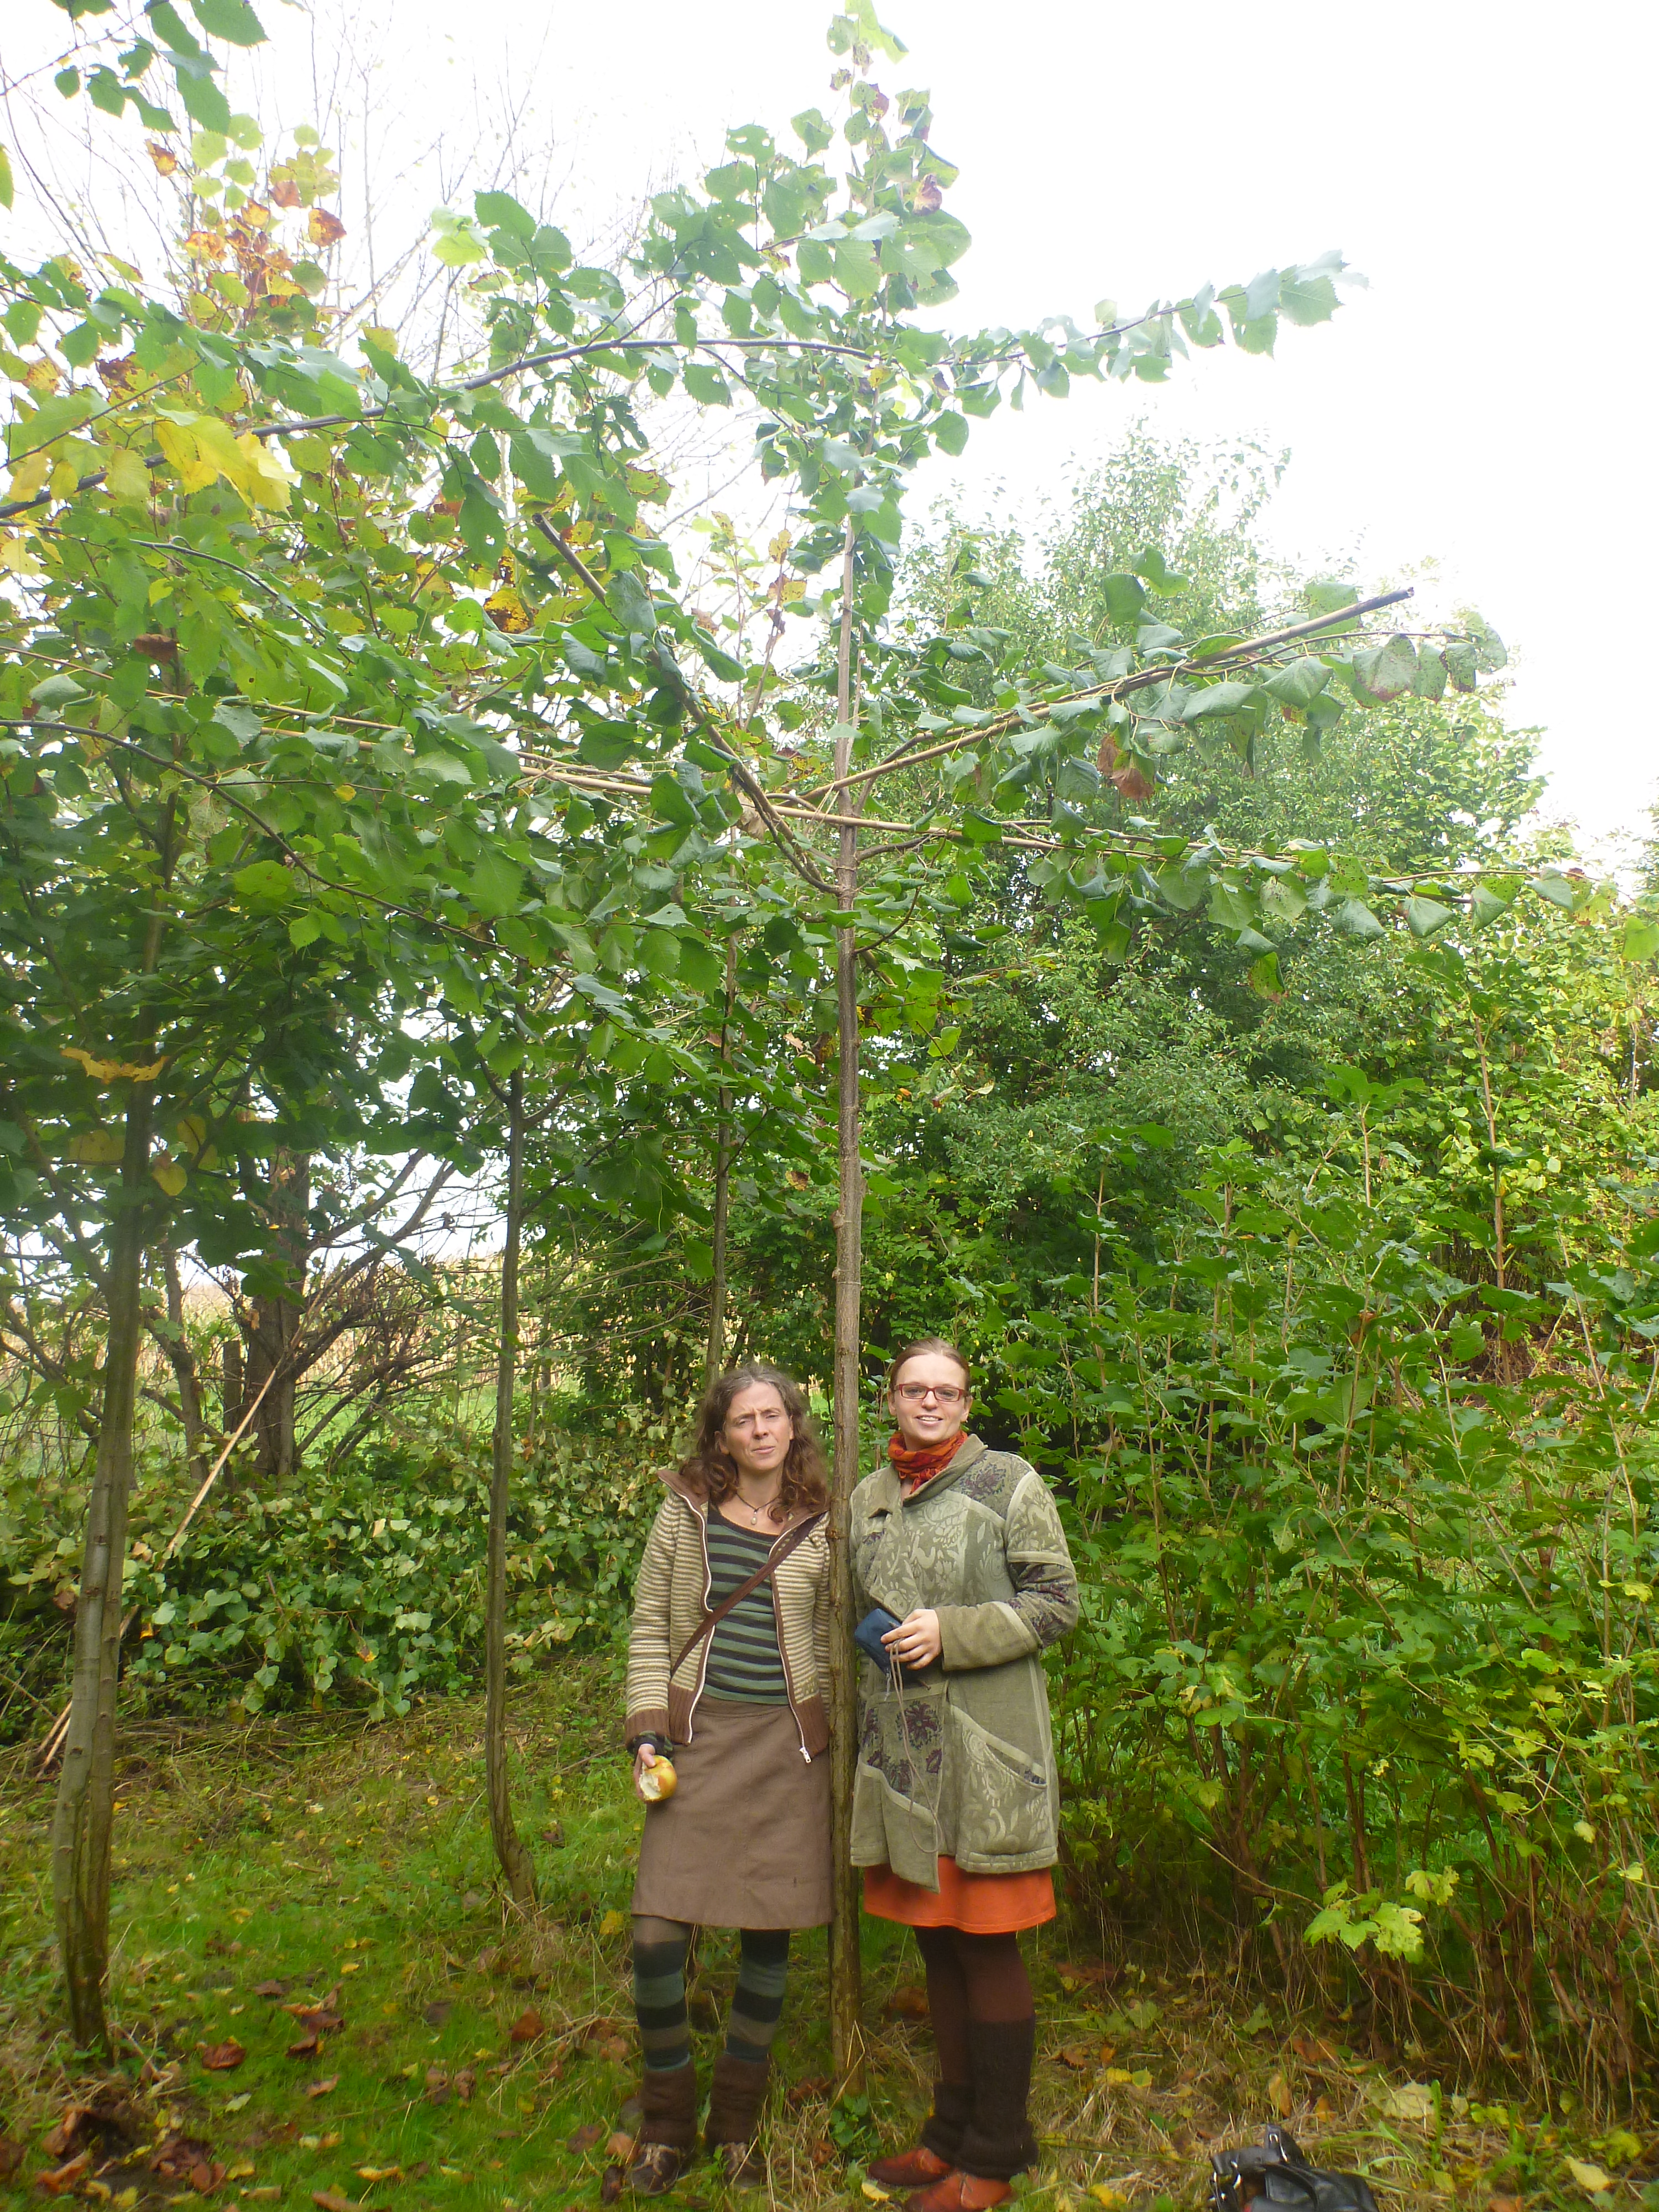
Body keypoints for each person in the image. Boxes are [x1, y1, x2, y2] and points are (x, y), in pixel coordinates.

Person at [850, 1338, 1078, 2212]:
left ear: (967, 1404)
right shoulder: (870, 1498)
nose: (930, 1403)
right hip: (905, 1759)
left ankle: (996, 2154)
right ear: (892, 1399)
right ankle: (947, 2135)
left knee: (985, 1944)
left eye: (946, 1391)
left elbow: (1056, 1603)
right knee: (936, 1946)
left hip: (988, 1755)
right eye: (915, 1389)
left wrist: (954, 1631)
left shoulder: (1007, 1483)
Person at [622, 1362, 833, 2193]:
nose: (760, 1430)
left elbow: (837, 1632)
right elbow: (650, 1622)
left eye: (772, 1416)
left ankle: (736, 2125)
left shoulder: (825, 1521)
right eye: (743, 1420)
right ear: (720, 1435)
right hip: (697, 1741)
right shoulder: (686, 1511)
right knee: (655, 1938)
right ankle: (666, 2123)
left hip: (788, 1752)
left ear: (793, 1425)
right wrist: (648, 1729)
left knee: (766, 1939)